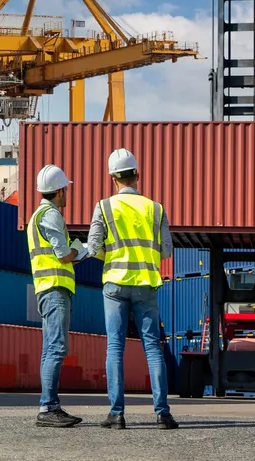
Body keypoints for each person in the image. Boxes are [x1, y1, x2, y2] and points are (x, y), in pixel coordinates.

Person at [87, 148, 179, 430]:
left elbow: (93, 247)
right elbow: (166, 251)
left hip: (115, 283)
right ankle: (162, 413)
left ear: (113, 178)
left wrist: (112, 257)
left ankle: (117, 414)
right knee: (152, 347)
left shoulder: (103, 207)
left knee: (115, 346)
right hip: (145, 287)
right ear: (137, 175)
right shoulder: (155, 208)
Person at [27, 164, 87, 428]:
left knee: (49, 348)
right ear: (60, 191)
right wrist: (78, 249)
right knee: (57, 347)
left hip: (46, 288)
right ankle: (49, 407)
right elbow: (63, 255)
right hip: (54, 289)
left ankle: (48, 404)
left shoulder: (36, 216)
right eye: (65, 189)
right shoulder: (51, 215)